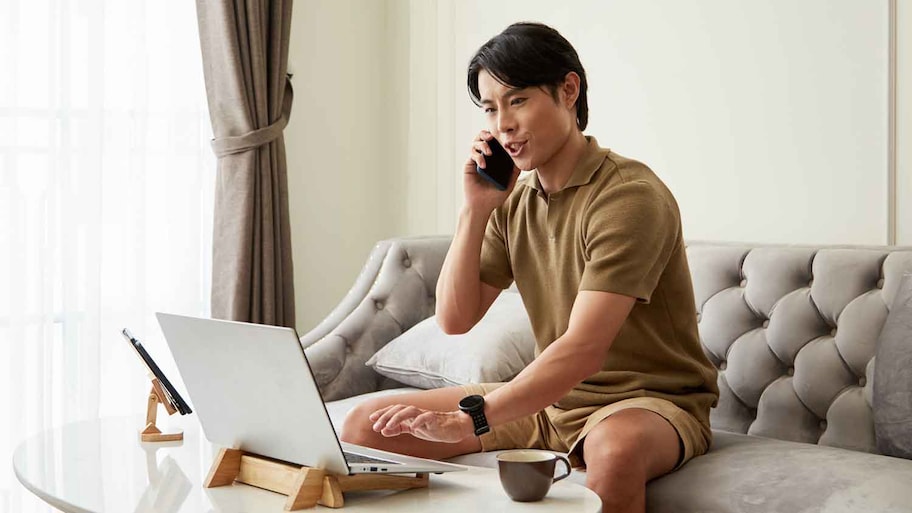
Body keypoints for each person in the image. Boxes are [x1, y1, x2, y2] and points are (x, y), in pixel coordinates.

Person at [340, 22, 719, 513]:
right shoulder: (515, 204)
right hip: (550, 403)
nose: (503, 124)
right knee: (365, 427)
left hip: (646, 404)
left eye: (517, 100)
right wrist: (475, 210)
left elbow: (582, 350)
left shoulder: (628, 197)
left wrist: (475, 418)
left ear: (568, 90)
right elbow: (456, 320)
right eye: (490, 108)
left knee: (614, 450)